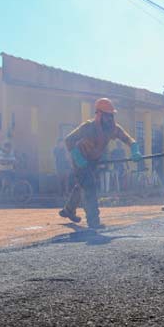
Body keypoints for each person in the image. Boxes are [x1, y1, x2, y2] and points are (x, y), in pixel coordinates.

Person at [59, 98, 142, 229]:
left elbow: (129, 139)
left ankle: (69, 210)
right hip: (80, 160)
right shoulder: (88, 127)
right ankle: (94, 222)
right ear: (99, 114)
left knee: (82, 184)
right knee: (90, 186)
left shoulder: (113, 129)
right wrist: (78, 158)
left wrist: (135, 150)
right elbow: (69, 140)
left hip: (93, 160)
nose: (110, 119)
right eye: (108, 116)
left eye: (112, 116)